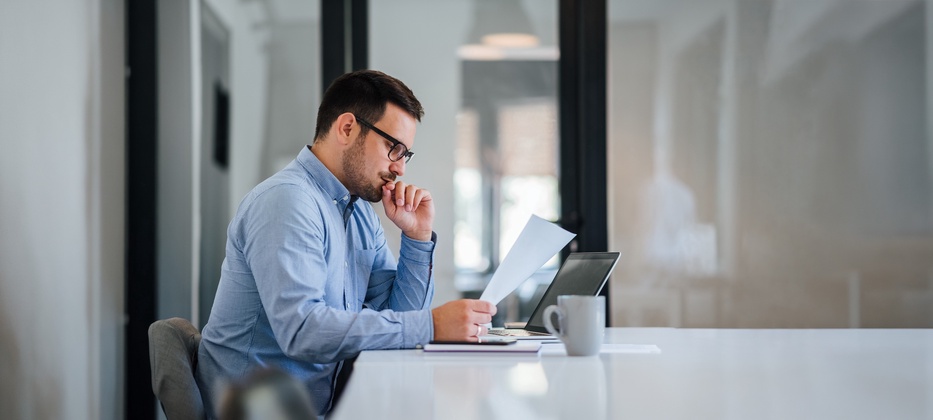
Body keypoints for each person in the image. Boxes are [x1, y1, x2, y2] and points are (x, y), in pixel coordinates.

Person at [196, 69, 497, 418]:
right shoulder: (287, 201)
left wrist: (417, 237)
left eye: (406, 155)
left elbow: (399, 318)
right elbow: (302, 331)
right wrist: (431, 326)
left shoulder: (359, 213)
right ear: (347, 128)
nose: (400, 169)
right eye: (394, 148)